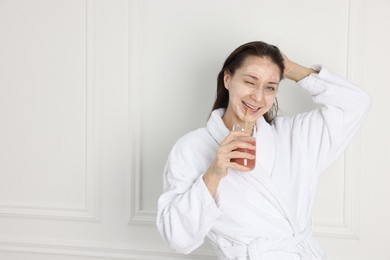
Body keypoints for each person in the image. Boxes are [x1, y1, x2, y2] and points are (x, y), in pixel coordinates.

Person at [156, 41, 371, 260]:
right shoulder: (191, 148)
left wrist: (291, 69)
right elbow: (178, 239)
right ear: (227, 79)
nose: (258, 97)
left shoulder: (294, 136)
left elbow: (356, 103)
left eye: (270, 87)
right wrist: (213, 173)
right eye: (250, 81)